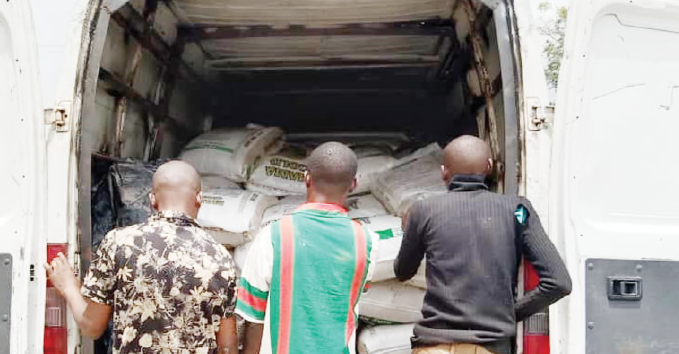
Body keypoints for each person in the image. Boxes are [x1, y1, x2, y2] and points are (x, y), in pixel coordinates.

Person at [394, 135, 572, 354]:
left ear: (443, 172)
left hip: (433, 345)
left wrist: (411, 230)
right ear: (489, 167)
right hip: (489, 346)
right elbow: (559, 282)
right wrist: (509, 314)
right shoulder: (517, 210)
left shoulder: (424, 210)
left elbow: (402, 272)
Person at [44, 160, 239, 354]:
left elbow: (91, 326)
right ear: (199, 198)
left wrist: (69, 287)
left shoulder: (120, 243)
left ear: (152, 199)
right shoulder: (220, 258)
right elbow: (227, 347)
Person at [236, 142, 375, 354]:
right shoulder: (365, 241)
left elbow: (254, 318)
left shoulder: (273, 235)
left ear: (306, 177)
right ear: (354, 184)